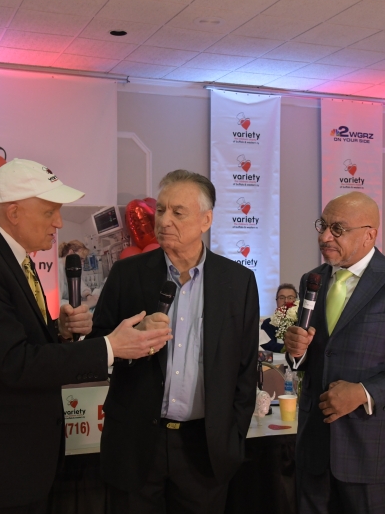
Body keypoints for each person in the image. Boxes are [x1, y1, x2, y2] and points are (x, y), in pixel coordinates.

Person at [0, 158, 172, 514]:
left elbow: (10, 342)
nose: (58, 222)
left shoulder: (11, 259)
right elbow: (16, 363)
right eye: (49, 212)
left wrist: (59, 331)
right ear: (14, 212)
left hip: (12, 463)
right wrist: (110, 347)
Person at [88, 170, 259, 514]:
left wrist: (232, 435)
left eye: (178, 212)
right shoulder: (127, 274)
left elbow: (244, 368)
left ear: (206, 220)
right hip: (136, 445)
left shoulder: (238, 282)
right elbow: (97, 346)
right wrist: (130, 340)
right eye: (161, 210)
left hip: (205, 449)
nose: (164, 220)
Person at [284, 192, 385, 514]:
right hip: (314, 445)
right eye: (323, 226)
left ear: (369, 234)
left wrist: (363, 392)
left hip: (371, 449)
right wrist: (297, 352)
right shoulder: (312, 279)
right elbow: (316, 354)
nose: (325, 237)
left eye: (337, 229)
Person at [58, 239, 97, 308]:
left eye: (83, 261)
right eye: (80, 259)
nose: (82, 264)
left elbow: (81, 286)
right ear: (70, 253)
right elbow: (56, 303)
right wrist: (87, 303)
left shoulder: (71, 269)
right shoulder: (57, 269)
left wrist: (88, 295)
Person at [260, 283, 298, 352]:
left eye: (290, 297)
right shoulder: (268, 323)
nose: (286, 301)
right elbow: (267, 344)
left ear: (296, 300)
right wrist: (287, 348)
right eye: (282, 298)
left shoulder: (302, 321)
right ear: (276, 301)